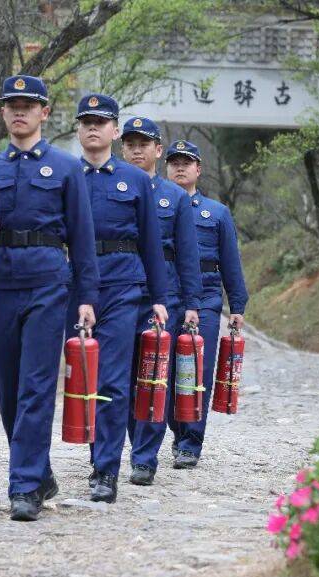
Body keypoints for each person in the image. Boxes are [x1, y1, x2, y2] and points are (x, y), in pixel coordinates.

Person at [0, 75, 98, 521]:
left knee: (37, 386)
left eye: (29, 105)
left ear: (44, 113)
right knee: (8, 386)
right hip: (2, 280)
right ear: (3, 113)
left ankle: (22, 487)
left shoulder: (65, 168)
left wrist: (86, 296)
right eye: (12, 105)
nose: (20, 111)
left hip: (48, 283)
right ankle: (38, 471)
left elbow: (82, 236)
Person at [64, 93, 169, 504]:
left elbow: (150, 244)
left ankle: (105, 468)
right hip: (76, 287)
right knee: (85, 376)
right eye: (86, 120)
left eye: (101, 121)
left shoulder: (136, 181)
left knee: (111, 378)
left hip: (124, 286)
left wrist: (159, 296)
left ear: (113, 130)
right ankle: (96, 453)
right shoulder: (65, 176)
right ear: (78, 128)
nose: (93, 127)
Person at [119, 117, 202, 485]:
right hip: (119, 292)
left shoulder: (175, 197)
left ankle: (145, 456)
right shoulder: (112, 187)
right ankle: (135, 440)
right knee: (119, 379)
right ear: (123, 148)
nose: (137, 149)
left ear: (158, 151)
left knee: (154, 378)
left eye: (144, 143)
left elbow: (187, 255)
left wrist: (192, 304)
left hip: (163, 299)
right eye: (131, 143)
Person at [164, 140, 248, 468]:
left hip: (207, 300)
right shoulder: (157, 207)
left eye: (187, 162)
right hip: (169, 298)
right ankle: (177, 426)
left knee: (198, 370)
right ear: (166, 167)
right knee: (165, 370)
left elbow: (230, 262)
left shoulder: (216, 213)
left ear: (198, 169)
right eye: (174, 162)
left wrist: (237, 306)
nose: (180, 168)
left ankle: (191, 441)